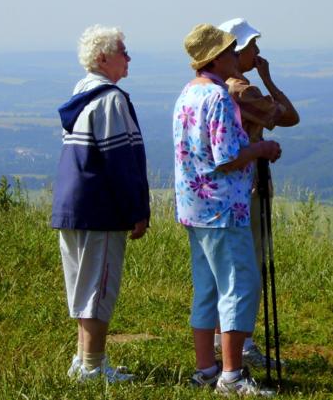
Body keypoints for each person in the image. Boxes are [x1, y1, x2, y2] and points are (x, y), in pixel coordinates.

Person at [174, 23, 281, 396]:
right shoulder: (219, 97)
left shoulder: (187, 93)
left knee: (206, 286)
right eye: (232, 51)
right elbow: (227, 156)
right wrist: (262, 150)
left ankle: (205, 367)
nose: (237, 57)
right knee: (238, 285)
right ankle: (231, 377)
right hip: (224, 206)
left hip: (194, 206)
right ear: (216, 58)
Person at [51, 25, 150, 383]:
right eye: (123, 51)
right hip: (100, 209)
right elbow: (119, 161)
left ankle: (83, 360)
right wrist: (137, 210)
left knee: (82, 283)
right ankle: (93, 367)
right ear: (103, 58)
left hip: (71, 205)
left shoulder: (80, 92)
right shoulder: (112, 99)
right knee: (98, 287)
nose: (128, 57)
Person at [216, 18, 299, 368]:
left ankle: (227, 342)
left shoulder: (219, 87)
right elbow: (291, 116)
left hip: (227, 191)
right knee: (249, 266)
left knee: (230, 268)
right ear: (237, 51)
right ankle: (243, 344)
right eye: (252, 46)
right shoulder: (242, 91)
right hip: (248, 187)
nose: (258, 51)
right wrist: (267, 79)